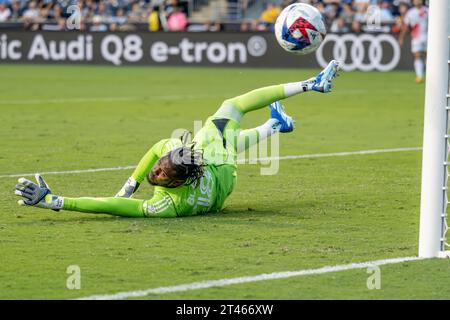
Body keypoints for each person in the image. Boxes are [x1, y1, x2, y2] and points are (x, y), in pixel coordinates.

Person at [14, 61, 341, 218]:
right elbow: (158, 152)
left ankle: (275, 125)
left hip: (220, 183)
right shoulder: (179, 168)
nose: (155, 172)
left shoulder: (168, 204)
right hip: (215, 168)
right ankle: (307, 88)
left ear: (175, 183)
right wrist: (132, 183)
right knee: (229, 114)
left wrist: (58, 201)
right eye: (158, 169)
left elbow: (114, 207)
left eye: (159, 174)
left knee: (228, 134)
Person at [399, 0, 428, 84]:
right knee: (417, 55)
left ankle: (431, 75)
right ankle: (419, 76)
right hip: (416, 37)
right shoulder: (410, 13)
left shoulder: (427, 10)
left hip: (428, 37)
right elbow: (406, 26)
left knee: (428, 56)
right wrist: (401, 37)